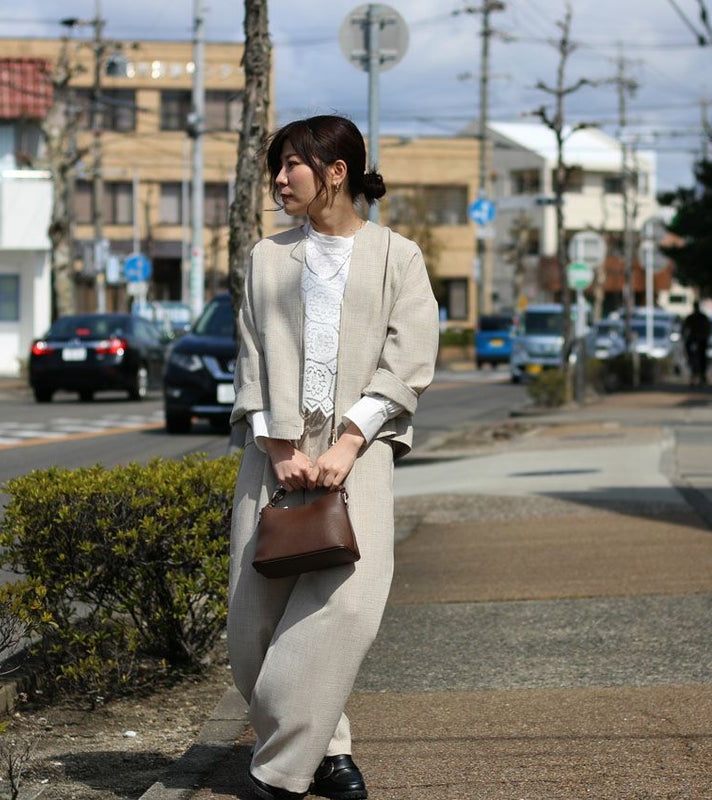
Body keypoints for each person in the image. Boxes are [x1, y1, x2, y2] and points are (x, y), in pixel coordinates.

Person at [226, 114, 440, 800]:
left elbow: (409, 357)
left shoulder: (398, 256)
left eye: (292, 164)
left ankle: (280, 771)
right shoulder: (267, 257)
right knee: (252, 624)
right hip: (275, 454)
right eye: (278, 166)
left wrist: (349, 441)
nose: (280, 178)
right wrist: (278, 444)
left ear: (336, 171)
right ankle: (328, 748)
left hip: (361, 448)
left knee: (347, 608)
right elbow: (251, 355)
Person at [681, 301, 711, 385]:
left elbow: (707, 328)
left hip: (700, 339)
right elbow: (684, 328)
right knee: (693, 357)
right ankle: (697, 375)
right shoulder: (692, 317)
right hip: (694, 339)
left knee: (701, 358)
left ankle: (701, 375)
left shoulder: (701, 317)